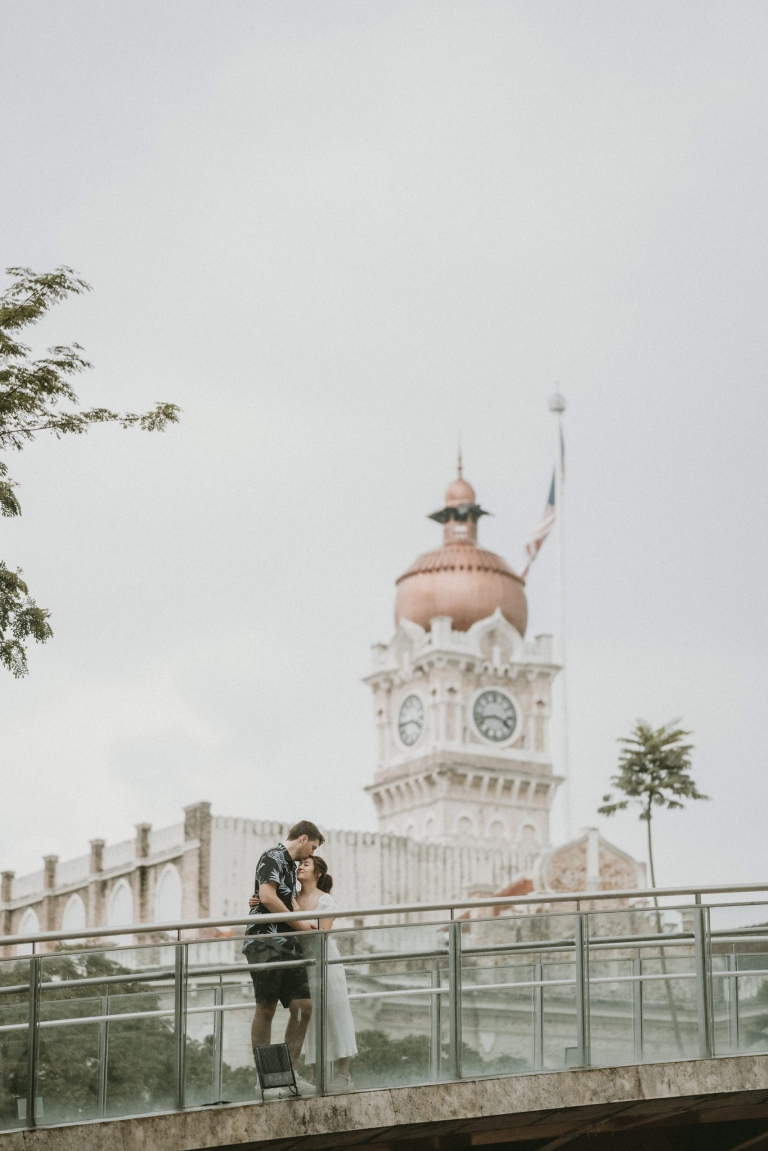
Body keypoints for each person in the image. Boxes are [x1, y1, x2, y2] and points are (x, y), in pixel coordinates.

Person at [245, 820, 324, 1096]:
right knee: (265, 1008)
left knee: (304, 1005)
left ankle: (288, 1072)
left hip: (288, 945)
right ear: (303, 838)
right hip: (265, 942)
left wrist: (304, 925)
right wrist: (300, 926)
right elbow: (267, 897)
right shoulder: (272, 856)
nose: (310, 854)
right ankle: (265, 1079)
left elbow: (278, 899)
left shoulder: (289, 867)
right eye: (312, 847)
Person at [295, 855, 358, 1089]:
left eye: (306, 864)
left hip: (328, 962)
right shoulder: (292, 899)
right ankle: (315, 1075)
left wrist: (305, 925)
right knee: (311, 1019)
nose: (300, 867)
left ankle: (344, 1073)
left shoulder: (325, 899)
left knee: (337, 1013)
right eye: (299, 864)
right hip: (306, 965)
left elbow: (325, 930)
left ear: (317, 874)